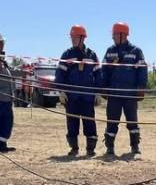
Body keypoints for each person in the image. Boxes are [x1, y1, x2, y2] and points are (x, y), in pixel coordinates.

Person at [100, 22, 147, 157]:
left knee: (132, 121)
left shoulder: (136, 51)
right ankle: (110, 147)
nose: (112, 37)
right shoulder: (110, 51)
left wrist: (141, 87)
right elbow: (104, 70)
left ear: (123, 35)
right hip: (114, 93)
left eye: (114, 34)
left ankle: (135, 146)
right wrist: (103, 87)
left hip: (130, 93)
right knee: (112, 121)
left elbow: (142, 70)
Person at [56, 25, 100, 157]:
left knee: (89, 123)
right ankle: (74, 148)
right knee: (72, 123)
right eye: (72, 37)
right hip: (72, 97)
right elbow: (60, 74)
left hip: (87, 96)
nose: (73, 40)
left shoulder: (91, 55)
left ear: (83, 38)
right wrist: (61, 91)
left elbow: (98, 74)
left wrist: (98, 92)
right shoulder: (67, 55)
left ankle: (90, 149)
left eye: (75, 37)